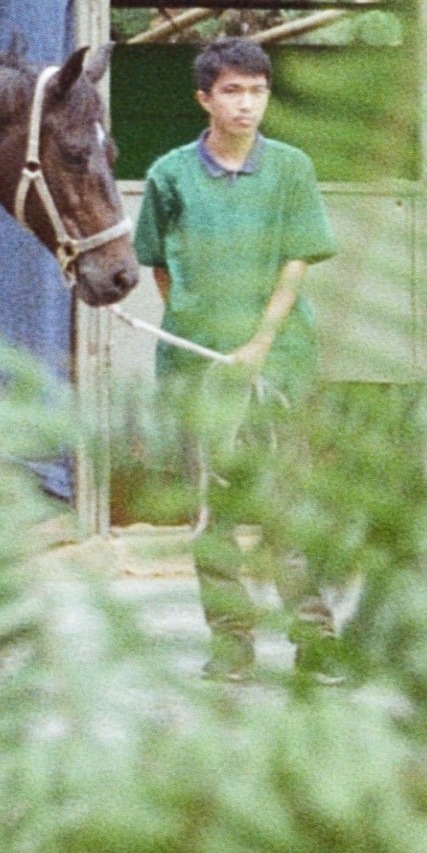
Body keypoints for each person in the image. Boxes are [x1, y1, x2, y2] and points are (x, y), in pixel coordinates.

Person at [132, 37, 339, 680]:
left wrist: (258, 344)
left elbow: (296, 260)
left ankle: (316, 642)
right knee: (212, 517)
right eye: (232, 91)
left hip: (280, 365)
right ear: (204, 99)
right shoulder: (169, 174)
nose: (247, 105)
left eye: (257, 91)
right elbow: (160, 264)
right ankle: (231, 646)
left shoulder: (291, 169)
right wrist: (197, 328)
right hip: (199, 367)